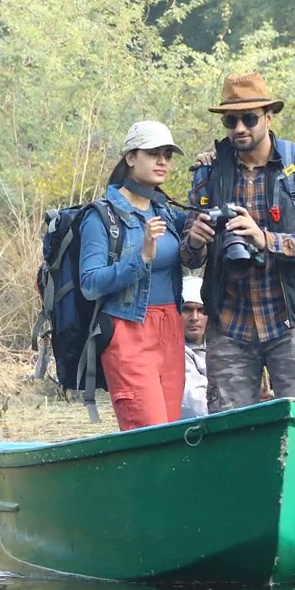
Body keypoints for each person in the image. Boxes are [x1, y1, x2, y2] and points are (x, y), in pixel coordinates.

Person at [180, 71, 295, 411]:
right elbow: (190, 260)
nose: (239, 128)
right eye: (231, 120)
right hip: (229, 324)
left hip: (292, 320)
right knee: (229, 430)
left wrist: (265, 238)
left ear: (269, 116)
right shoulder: (207, 173)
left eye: (249, 118)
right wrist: (195, 241)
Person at [79, 121, 190, 431]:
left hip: (171, 328)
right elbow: (89, 283)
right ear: (130, 157)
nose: (162, 162)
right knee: (149, 434)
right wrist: (141, 257)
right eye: (153, 153)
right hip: (128, 331)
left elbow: (199, 230)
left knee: (170, 432)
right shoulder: (101, 216)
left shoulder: (166, 211)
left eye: (167, 155)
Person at [181, 274, 209, 419]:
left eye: (201, 310)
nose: (194, 318)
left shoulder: (223, 347)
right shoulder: (174, 353)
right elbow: (195, 406)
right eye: (187, 309)